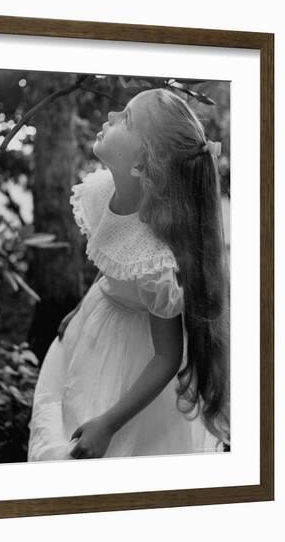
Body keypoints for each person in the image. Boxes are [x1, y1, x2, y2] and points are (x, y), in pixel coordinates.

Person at [27, 88, 230, 461]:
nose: (111, 115)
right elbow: (114, 260)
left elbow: (167, 357)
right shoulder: (102, 191)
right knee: (64, 407)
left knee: (102, 449)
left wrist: (109, 423)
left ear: (144, 161)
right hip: (96, 320)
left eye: (127, 118)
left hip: (132, 357)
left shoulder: (156, 257)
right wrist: (84, 307)